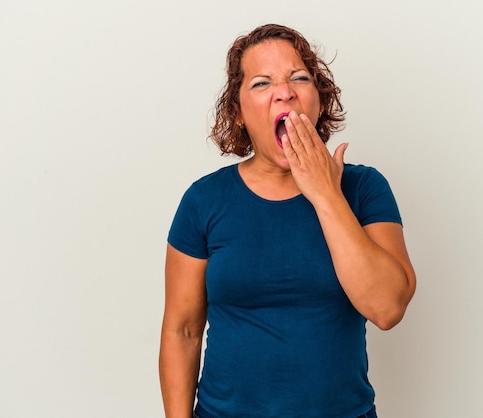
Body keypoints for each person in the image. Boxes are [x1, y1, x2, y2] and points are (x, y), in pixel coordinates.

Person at [159, 23, 416, 418]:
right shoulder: (204, 200)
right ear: (239, 112)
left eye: (299, 77)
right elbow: (183, 331)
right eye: (262, 83)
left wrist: (326, 193)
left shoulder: (364, 188)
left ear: (318, 99)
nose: (285, 91)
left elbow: (387, 308)